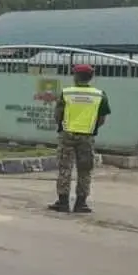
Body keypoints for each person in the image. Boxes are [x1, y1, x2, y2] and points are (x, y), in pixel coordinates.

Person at [47, 64, 110, 214]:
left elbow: (57, 115)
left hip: (67, 135)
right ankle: (81, 204)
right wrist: (90, 128)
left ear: (75, 76)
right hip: (87, 137)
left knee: (65, 168)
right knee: (85, 170)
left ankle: (63, 203)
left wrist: (63, 127)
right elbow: (101, 119)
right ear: (91, 77)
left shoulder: (66, 93)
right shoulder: (100, 95)